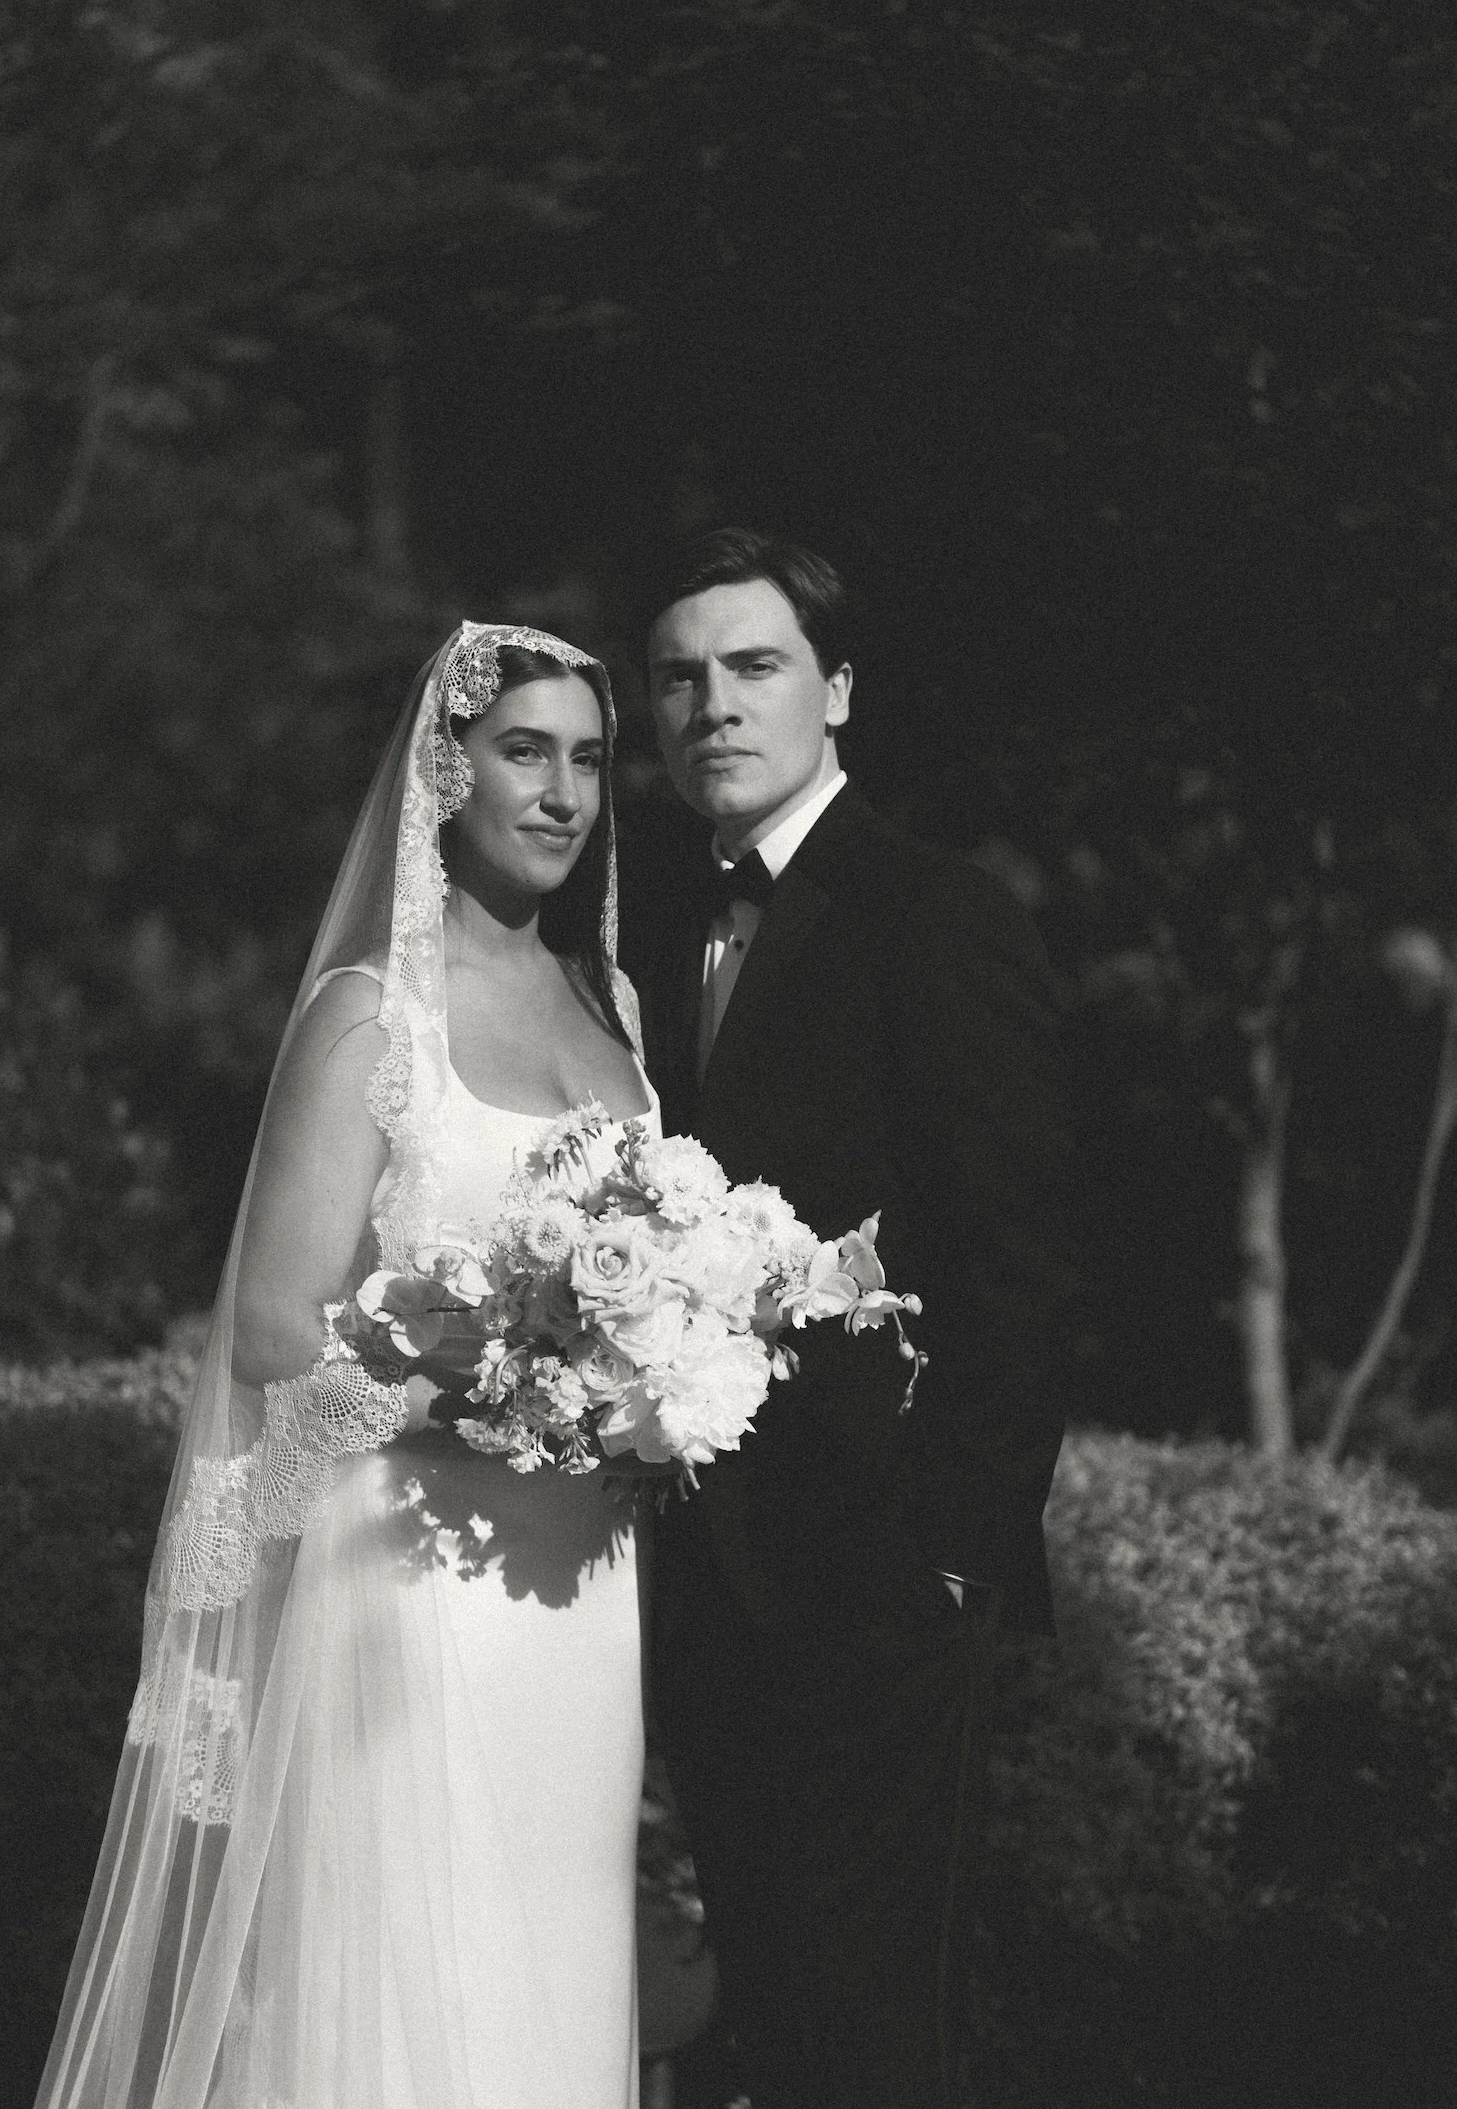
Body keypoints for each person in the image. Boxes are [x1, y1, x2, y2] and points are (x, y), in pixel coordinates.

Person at [36, 624, 654, 2109]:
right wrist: (517, 1390)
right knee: (404, 1969)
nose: (563, 792)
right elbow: (268, 1326)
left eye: (586, 759)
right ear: (445, 771)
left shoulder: (616, 1014)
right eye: (525, 751)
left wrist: (662, 1368)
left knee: (556, 1964)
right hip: (410, 1580)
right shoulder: (374, 1010)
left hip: (583, 1587)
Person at [621, 529, 1076, 2108]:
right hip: (692, 1581)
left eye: (755, 667)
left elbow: (1022, 1261)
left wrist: (945, 1558)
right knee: (746, 2016)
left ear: (840, 691)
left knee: (871, 2042)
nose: (713, 706)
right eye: (680, 676)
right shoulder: (632, 923)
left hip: (877, 1581)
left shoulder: (936, 913)